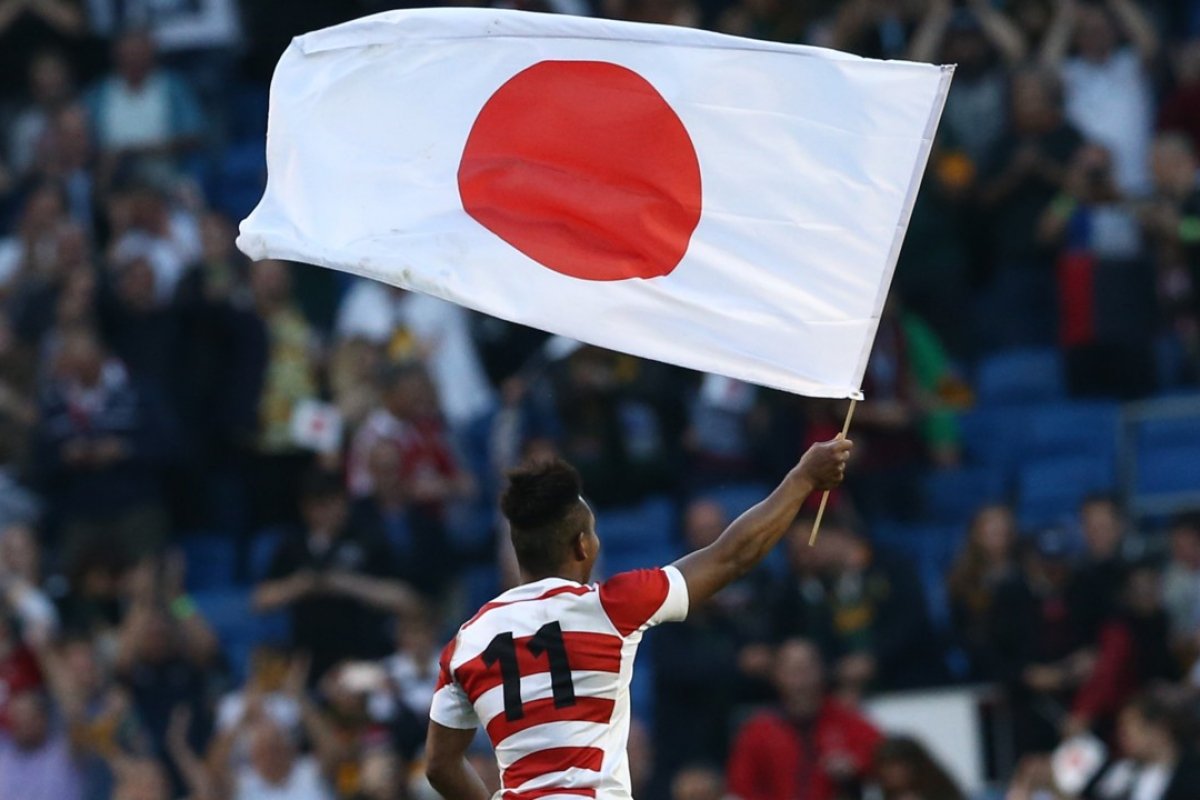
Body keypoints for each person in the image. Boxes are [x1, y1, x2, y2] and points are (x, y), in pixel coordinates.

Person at [423, 436, 852, 800]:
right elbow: (731, 556)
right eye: (593, 531)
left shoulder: (466, 641)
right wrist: (803, 478)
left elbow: (440, 766)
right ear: (582, 546)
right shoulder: (609, 606)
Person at [253, 469, 417, 681]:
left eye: (335, 503)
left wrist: (345, 584)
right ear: (306, 508)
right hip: (309, 661)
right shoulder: (293, 546)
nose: (329, 512)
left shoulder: (368, 539)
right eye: (320, 505)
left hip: (365, 656)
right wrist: (304, 583)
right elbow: (260, 600)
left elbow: (405, 598)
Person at [726, 639, 882, 800]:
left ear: (822, 670)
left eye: (807, 669)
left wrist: (856, 766)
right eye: (793, 670)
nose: (800, 679)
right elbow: (740, 785)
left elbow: (884, 760)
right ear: (777, 675)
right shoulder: (759, 730)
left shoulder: (847, 721)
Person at [946, 504, 1018, 678]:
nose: (999, 538)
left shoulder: (1026, 571)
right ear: (977, 535)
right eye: (992, 533)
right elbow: (963, 631)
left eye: (1003, 532)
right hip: (982, 665)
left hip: (1022, 658)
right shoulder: (962, 579)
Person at [873, 735, 966, 800]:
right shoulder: (877, 794)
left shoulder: (944, 794)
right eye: (883, 766)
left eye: (892, 766)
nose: (885, 772)